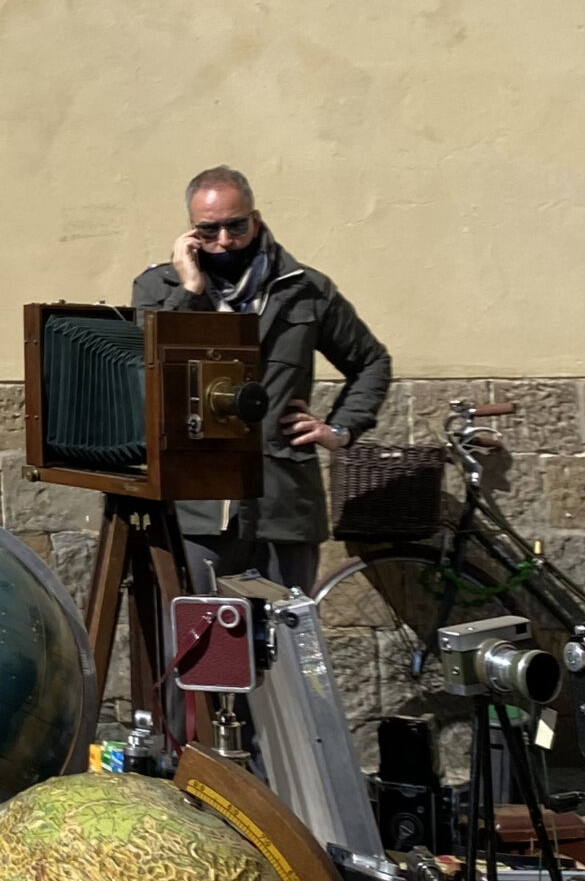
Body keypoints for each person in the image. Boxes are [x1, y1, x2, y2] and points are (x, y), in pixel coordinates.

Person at [132, 165, 392, 595]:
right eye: (208, 230)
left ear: (255, 219)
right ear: (191, 232)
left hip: (283, 502)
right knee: (209, 648)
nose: (224, 242)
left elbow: (371, 362)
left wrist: (339, 431)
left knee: (288, 644)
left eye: (235, 226)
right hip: (200, 507)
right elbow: (147, 370)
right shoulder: (158, 288)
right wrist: (189, 291)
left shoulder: (305, 289)